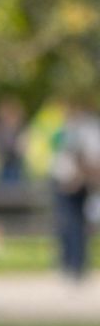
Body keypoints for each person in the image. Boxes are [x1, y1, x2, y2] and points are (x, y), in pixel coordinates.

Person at [47, 97, 100, 283]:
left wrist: (81, 178)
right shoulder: (73, 127)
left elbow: (82, 156)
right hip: (70, 179)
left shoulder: (84, 128)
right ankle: (70, 264)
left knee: (74, 224)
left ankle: (75, 265)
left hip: (75, 181)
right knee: (69, 224)